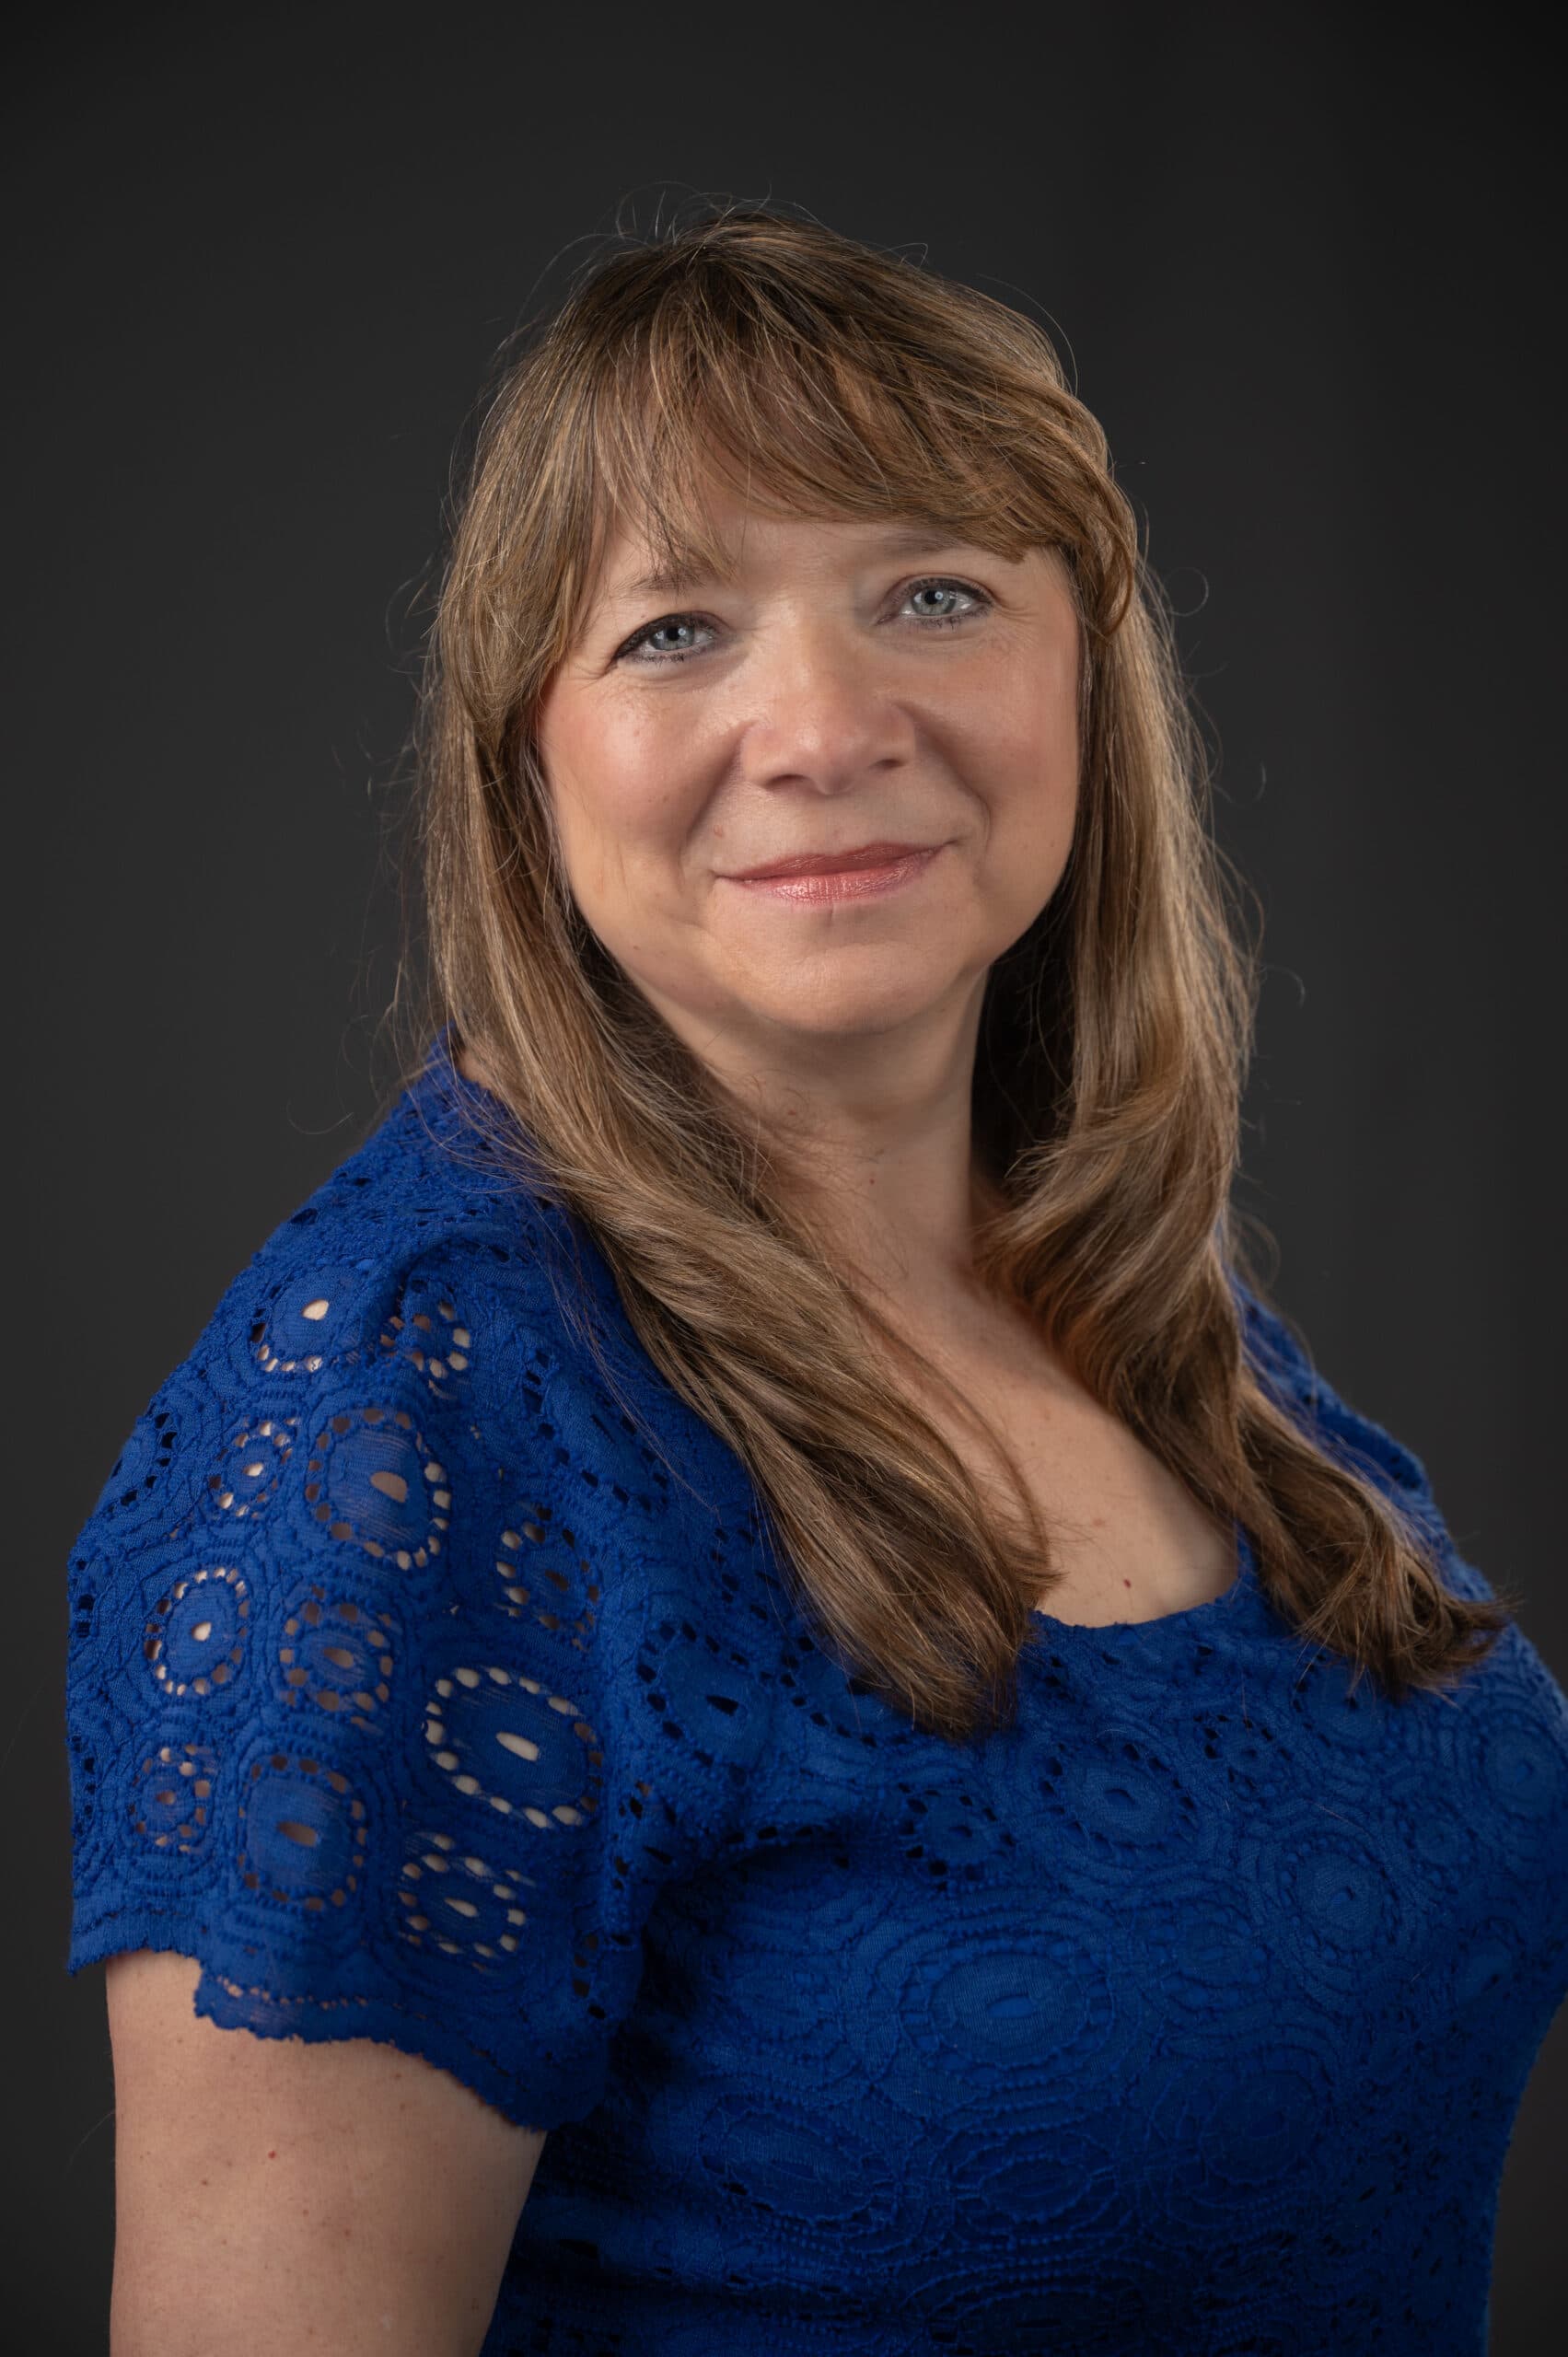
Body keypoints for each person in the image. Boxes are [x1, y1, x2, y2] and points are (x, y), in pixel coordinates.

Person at [66, 203, 1567, 2357]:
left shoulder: (1122, 1292)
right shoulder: (416, 1408)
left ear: (1083, 679)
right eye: (677, 629)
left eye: (934, 593)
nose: (824, 723)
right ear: (531, 750)